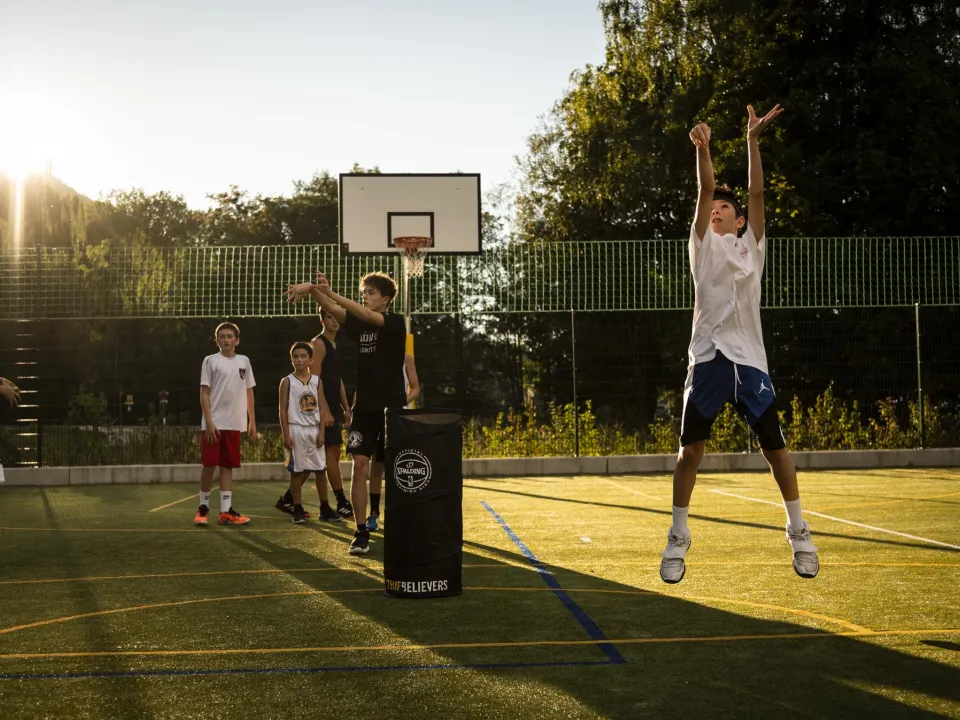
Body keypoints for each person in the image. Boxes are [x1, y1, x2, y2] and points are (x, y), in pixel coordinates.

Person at [660, 104, 819, 583]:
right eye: (712, 209)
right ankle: (678, 536)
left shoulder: (754, 245)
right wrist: (703, 148)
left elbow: (755, 191)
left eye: (725, 209)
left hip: (750, 363)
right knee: (689, 453)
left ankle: (798, 531)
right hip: (707, 359)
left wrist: (752, 140)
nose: (717, 209)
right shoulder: (702, 245)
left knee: (776, 451)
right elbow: (705, 186)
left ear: (740, 221)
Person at [287, 271, 406, 556]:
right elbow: (331, 308)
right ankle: (361, 531)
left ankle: (402, 525)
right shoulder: (359, 325)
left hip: (392, 410)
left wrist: (329, 292)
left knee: (394, 470)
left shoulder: (394, 322)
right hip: (363, 409)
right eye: (365, 291)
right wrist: (313, 288)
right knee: (360, 467)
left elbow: (360, 311)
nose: (366, 295)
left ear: (386, 299)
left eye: (372, 292)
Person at [275, 309, 353, 522]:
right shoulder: (318, 344)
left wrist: (346, 407)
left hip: (331, 408)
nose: (334, 321)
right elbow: (314, 380)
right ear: (322, 319)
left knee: (316, 460)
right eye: (329, 317)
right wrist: (325, 411)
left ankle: (289, 499)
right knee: (329, 456)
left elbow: (336, 380)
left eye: (337, 317)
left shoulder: (336, 345)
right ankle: (342, 502)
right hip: (317, 411)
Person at [195, 322, 257, 526]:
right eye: (222, 336)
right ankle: (203, 509)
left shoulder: (244, 361)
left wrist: (252, 422)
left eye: (230, 336)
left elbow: (249, 392)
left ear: (237, 340)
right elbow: (204, 392)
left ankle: (225, 511)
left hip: (234, 424)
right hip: (214, 424)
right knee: (209, 465)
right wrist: (210, 421)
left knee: (227, 466)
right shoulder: (210, 361)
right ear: (217, 341)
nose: (226, 339)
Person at [278, 342, 326, 525]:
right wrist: (285, 434)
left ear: (310, 359)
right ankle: (297, 507)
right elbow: (282, 409)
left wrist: (322, 432)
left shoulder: (316, 381)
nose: (299, 359)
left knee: (321, 469)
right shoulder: (287, 381)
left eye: (303, 356)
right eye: (295, 356)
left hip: (314, 429)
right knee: (297, 471)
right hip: (296, 428)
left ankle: (325, 507)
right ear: (291, 360)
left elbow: (321, 407)